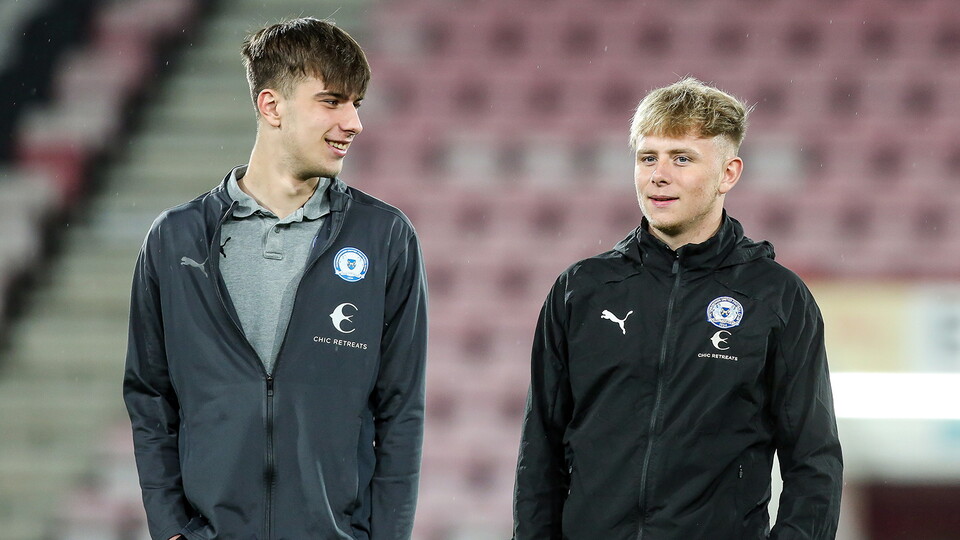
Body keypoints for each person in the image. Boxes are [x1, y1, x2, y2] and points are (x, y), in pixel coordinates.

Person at [123, 17, 427, 540]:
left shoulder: (386, 237)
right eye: (332, 101)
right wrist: (171, 528)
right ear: (271, 106)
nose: (354, 122)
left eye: (357, 104)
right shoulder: (174, 240)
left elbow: (401, 410)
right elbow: (151, 396)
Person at [512, 77, 842, 539]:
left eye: (681, 158)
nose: (657, 175)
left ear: (729, 172)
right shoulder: (582, 290)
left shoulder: (778, 298)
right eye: (648, 158)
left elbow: (814, 463)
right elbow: (540, 451)